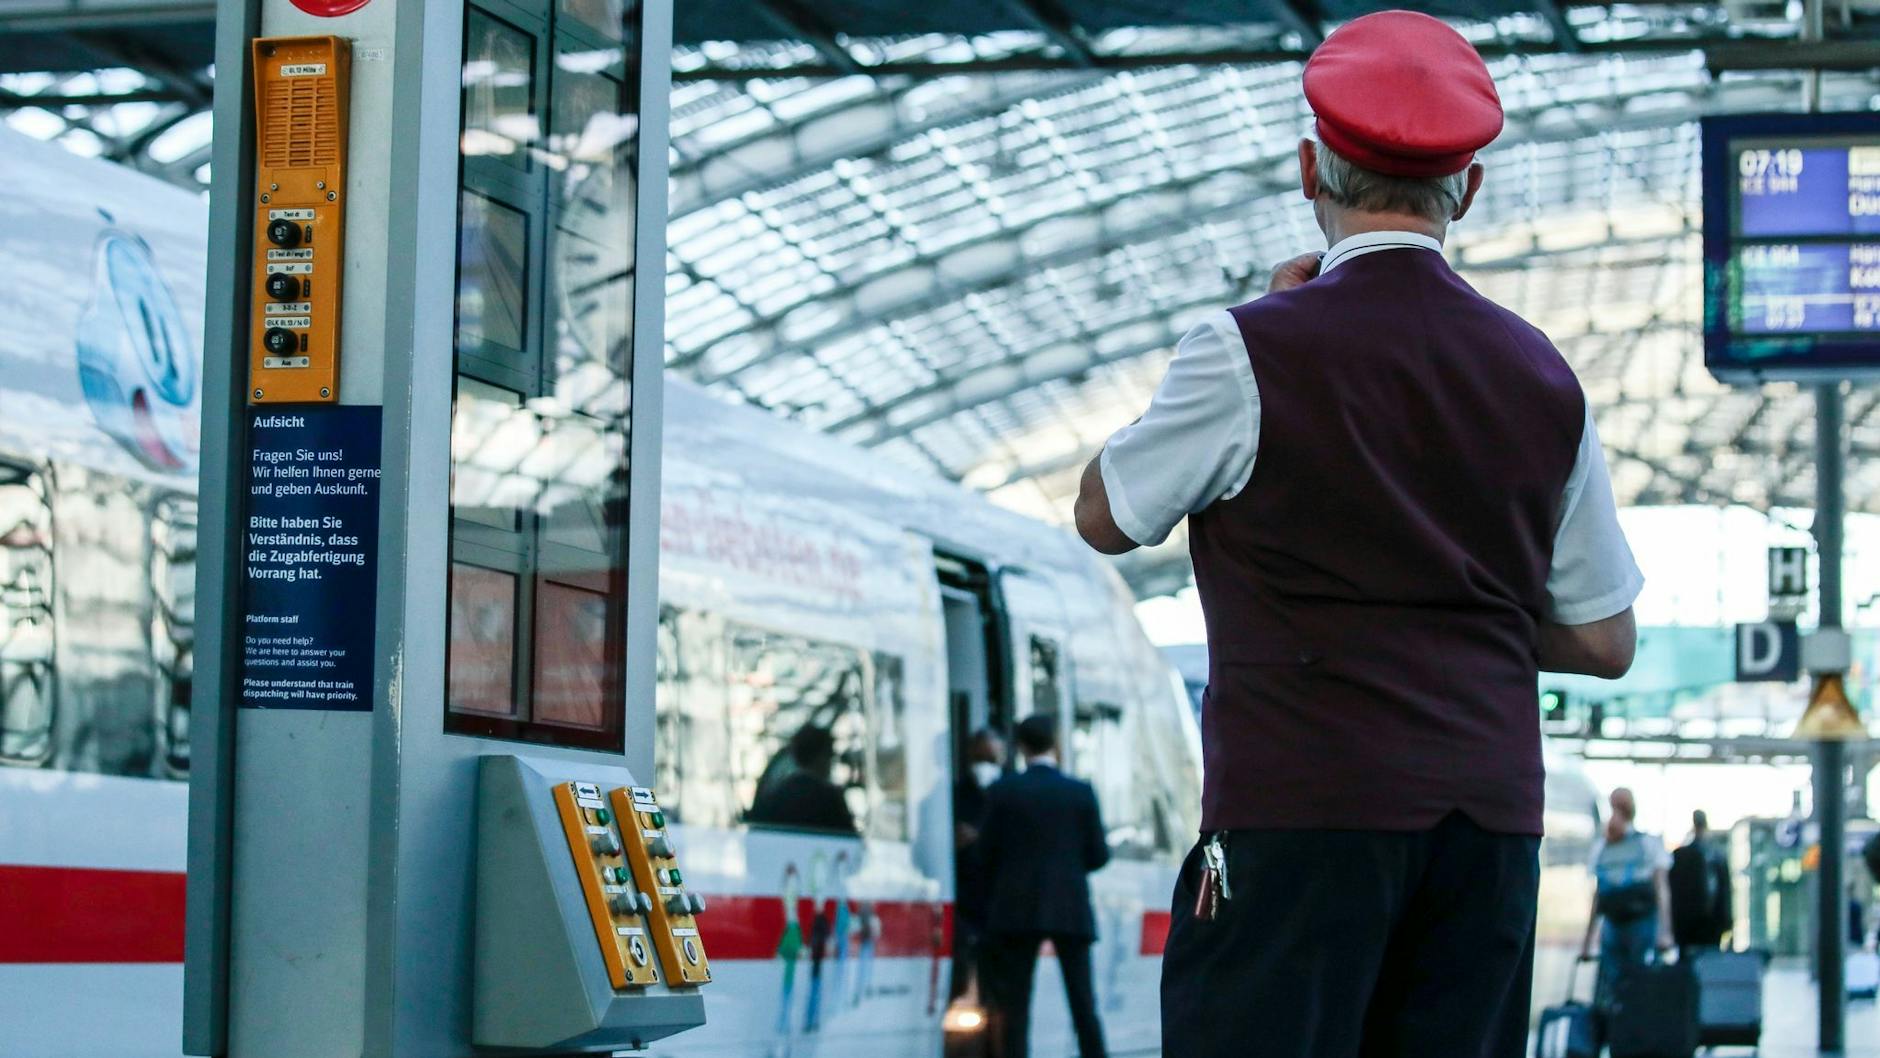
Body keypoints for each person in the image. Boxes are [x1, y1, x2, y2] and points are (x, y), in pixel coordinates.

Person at [1071, 11, 1643, 1057]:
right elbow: (1605, 639)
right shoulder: (1539, 375)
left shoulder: (1249, 350)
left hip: (1297, 818)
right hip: (1485, 831)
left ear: (1307, 169)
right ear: (1466, 189)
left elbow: (1105, 514)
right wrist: (1457, 616)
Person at [976, 714, 1110, 1058]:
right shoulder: (1080, 792)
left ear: (1020, 747)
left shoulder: (1003, 791)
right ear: (1056, 744)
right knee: (1083, 1005)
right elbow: (1098, 855)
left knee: (1016, 1009)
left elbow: (984, 855)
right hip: (1069, 908)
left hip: (1015, 909)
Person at [1583, 788, 1673, 1011]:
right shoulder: (1606, 846)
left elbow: (1598, 896)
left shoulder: (1641, 845)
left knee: (1628, 982)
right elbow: (1662, 890)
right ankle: (1627, 1030)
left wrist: (1665, 931)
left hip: (1630, 923)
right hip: (1623, 924)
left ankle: (1628, 1028)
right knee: (1632, 981)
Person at [952, 728, 1007, 999]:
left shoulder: (1012, 792)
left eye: (991, 757)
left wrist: (981, 836)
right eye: (979, 756)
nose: (985, 764)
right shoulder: (952, 795)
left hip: (1003, 904)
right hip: (967, 901)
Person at [748, 725, 858, 835]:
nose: (831, 764)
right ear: (821, 756)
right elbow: (849, 839)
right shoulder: (830, 798)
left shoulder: (774, 795)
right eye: (830, 756)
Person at [1668, 809, 1732, 957]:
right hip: (1705, 922)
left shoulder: (1682, 855)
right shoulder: (1716, 854)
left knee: (1691, 962)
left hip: (1691, 922)